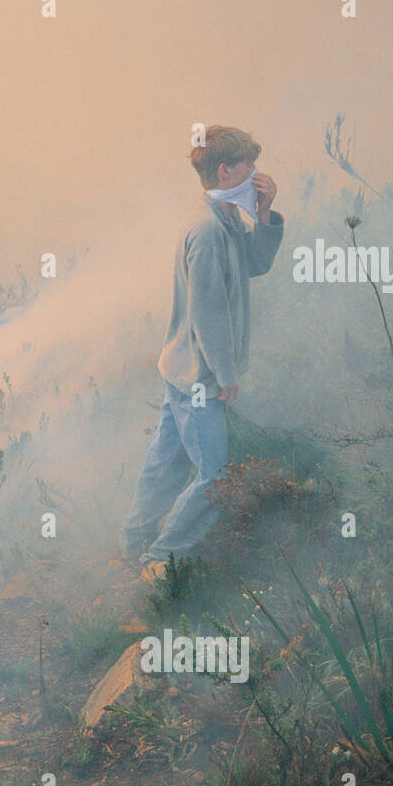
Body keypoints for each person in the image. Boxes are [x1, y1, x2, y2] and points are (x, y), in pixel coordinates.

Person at [124, 126, 284, 582]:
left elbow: (256, 264)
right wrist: (226, 375)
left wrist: (265, 213)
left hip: (181, 367)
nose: (256, 173)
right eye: (248, 165)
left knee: (166, 459)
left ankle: (132, 537)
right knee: (215, 474)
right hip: (199, 374)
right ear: (225, 169)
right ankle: (160, 557)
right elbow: (208, 313)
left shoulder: (224, 216)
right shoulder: (210, 229)